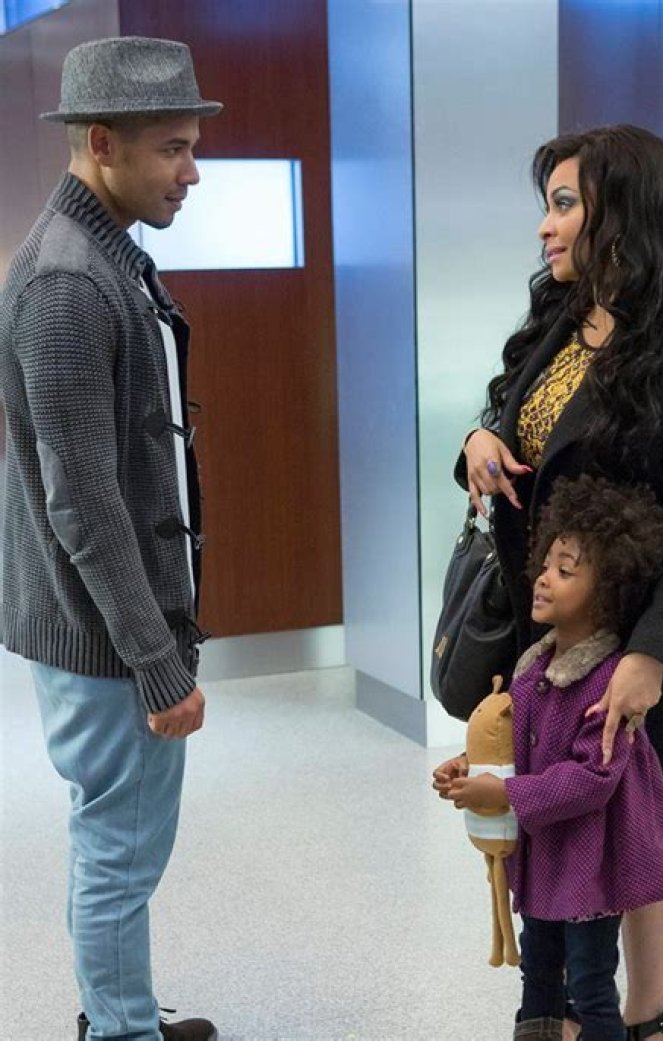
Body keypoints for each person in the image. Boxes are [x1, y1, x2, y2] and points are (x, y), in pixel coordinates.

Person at [443, 125, 663, 1040]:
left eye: (564, 204)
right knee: (559, 810)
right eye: (547, 204)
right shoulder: (565, 313)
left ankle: (649, 1018)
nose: (545, 226)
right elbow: (512, 415)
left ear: (624, 215)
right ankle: (564, 1005)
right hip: (549, 624)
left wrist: (652, 657)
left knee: (637, 825)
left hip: (637, 633)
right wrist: (479, 439)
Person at [0, 37, 223, 1041]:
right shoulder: (67, 282)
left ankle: (117, 1010)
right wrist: (156, 662)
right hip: (102, 634)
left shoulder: (104, 257)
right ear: (101, 143)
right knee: (119, 848)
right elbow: (83, 503)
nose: (192, 171)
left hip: (106, 622)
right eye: (173, 148)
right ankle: (120, 1032)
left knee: (117, 837)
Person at [435, 475, 663, 1041]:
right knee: (539, 971)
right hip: (545, 863)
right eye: (546, 564)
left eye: (565, 571)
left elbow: (593, 779)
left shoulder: (609, 685)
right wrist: (471, 766)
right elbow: (519, 744)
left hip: (589, 871)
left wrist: (505, 794)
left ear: (608, 593)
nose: (543, 577)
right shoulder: (533, 668)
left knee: (591, 984)